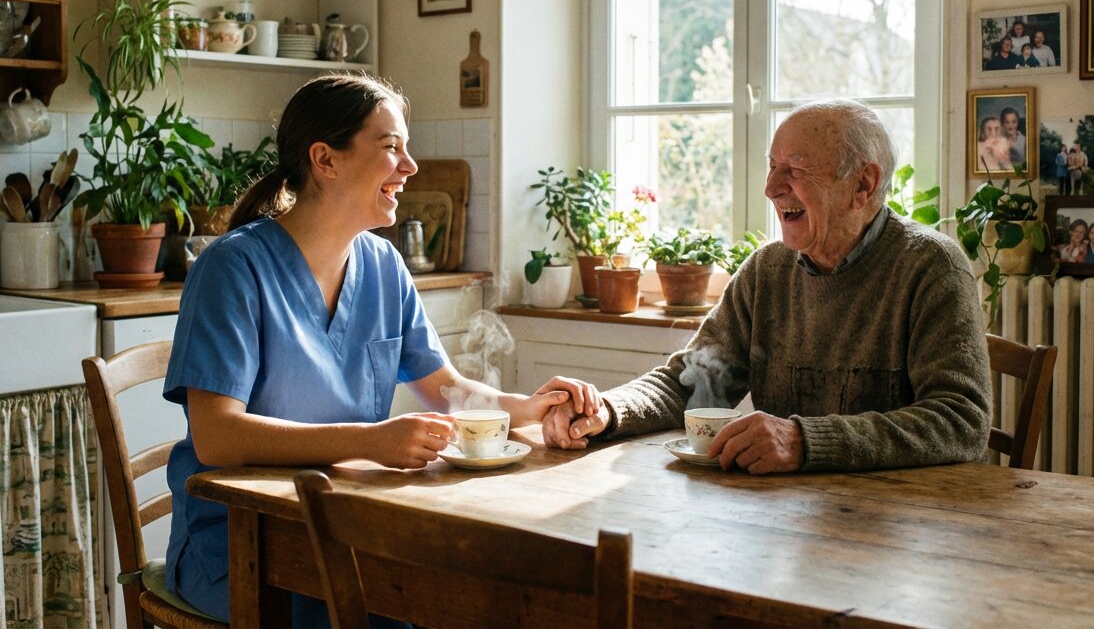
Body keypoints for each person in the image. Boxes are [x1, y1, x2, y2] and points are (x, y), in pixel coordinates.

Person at [161, 74, 584, 625]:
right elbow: (217, 436)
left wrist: (530, 407)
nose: (410, 166)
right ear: (325, 160)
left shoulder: (383, 266)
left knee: (461, 601)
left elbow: (447, 390)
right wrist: (372, 441)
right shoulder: (233, 269)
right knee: (389, 614)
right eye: (391, 148)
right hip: (241, 545)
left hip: (342, 526)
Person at [540, 100, 992, 475]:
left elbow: (960, 421)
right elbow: (689, 383)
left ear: (863, 184)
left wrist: (804, 441)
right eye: (773, 166)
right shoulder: (768, 271)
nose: (770, 188)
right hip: (780, 522)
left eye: (794, 169)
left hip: (904, 532)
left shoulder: (931, 266)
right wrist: (606, 411)